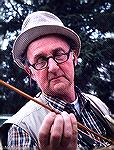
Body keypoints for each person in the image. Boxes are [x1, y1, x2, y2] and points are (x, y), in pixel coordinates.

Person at [0, 11, 114, 150]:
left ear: (74, 57)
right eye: (40, 60)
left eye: (59, 54)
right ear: (31, 73)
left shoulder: (99, 105)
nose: (53, 68)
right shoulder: (22, 129)